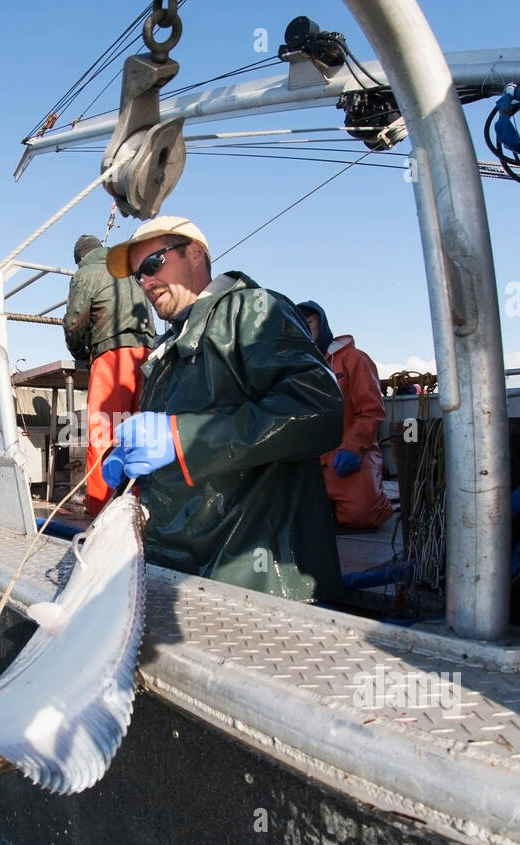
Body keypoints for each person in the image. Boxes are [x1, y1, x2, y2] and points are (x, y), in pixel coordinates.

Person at [101, 216, 345, 603]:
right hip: (179, 571)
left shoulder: (253, 310)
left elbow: (318, 408)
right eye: (138, 277)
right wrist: (131, 473)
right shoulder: (167, 351)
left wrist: (184, 438)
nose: (145, 283)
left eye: (152, 265)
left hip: (254, 582)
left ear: (195, 254)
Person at [62, 234, 156, 517]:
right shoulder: (128, 272)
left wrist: (78, 351)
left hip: (113, 354)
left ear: (80, 258)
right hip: (147, 356)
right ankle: (135, 505)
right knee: (138, 432)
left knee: (103, 431)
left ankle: (99, 506)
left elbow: (76, 321)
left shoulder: (85, 273)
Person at [298, 300, 394, 530]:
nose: (304, 325)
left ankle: (371, 497)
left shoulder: (355, 359)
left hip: (349, 456)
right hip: (310, 460)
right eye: (298, 321)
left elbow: (372, 411)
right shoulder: (295, 367)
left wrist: (352, 448)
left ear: (322, 324)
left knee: (363, 514)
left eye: (309, 320)